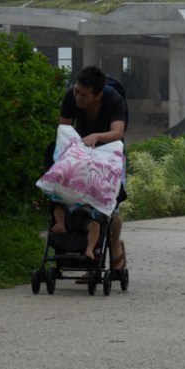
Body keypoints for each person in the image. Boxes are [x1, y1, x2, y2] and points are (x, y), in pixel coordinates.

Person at [58, 65, 128, 273]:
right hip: (81, 150)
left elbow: (117, 132)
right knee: (82, 202)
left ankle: (115, 245)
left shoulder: (114, 100)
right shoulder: (71, 97)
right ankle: (91, 257)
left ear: (98, 95)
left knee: (109, 207)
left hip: (110, 152)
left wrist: (97, 136)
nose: (78, 97)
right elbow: (63, 130)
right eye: (77, 91)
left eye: (84, 95)